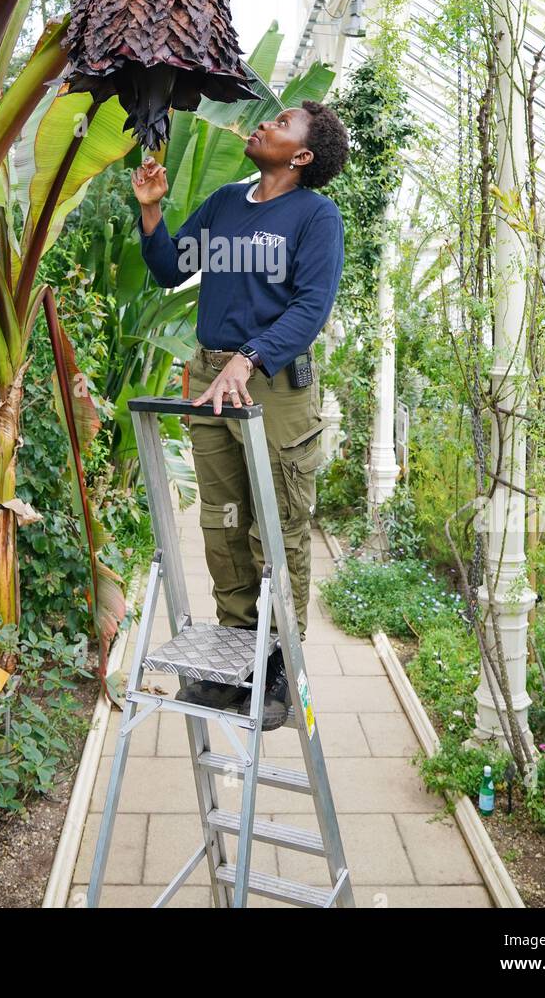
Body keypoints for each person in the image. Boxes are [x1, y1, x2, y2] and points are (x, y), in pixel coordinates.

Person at [132, 100, 349, 729]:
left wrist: (248, 360)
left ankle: (279, 662)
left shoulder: (316, 217)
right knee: (223, 525)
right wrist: (152, 210)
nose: (265, 124)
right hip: (209, 380)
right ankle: (232, 660)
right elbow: (172, 267)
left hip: (271, 388)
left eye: (283, 124)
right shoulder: (228, 202)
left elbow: (311, 308)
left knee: (276, 525)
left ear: (302, 156)